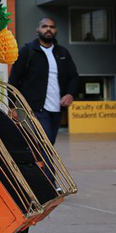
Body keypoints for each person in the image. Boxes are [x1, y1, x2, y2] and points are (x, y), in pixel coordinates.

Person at [9, 17, 79, 145]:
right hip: (35, 107)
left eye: (52, 27)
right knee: (45, 142)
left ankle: (38, 164)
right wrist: (11, 106)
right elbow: (14, 78)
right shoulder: (28, 51)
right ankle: (47, 166)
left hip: (57, 107)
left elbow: (73, 76)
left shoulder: (62, 52)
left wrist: (70, 93)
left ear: (55, 30)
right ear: (38, 30)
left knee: (49, 142)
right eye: (45, 26)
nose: (48, 29)